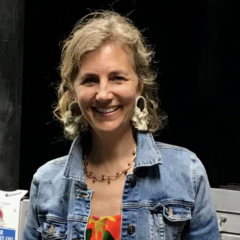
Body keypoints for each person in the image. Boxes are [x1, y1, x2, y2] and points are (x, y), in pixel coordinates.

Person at [23, 11, 220, 240]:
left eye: (117, 78)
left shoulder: (187, 174)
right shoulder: (46, 183)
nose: (104, 94)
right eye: (90, 80)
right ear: (74, 91)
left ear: (139, 86)